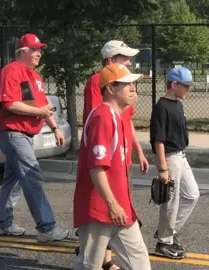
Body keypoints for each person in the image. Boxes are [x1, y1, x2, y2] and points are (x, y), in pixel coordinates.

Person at [0, 33, 69, 243]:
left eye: (40, 50)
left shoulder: (33, 76)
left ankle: (2, 222)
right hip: (13, 133)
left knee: (13, 179)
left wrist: (55, 128)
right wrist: (41, 113)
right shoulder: (11, 72)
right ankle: (46, 227)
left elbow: (39, 106)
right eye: (35, 50)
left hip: (23, 135)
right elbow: (9, 104)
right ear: (22, 52)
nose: (39, 53)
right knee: (32, 176)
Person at [73, 63, 151, 270]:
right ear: (110, 88)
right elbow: (96, 168)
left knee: (140, 264)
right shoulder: (103, 117)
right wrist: (112, 204)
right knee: (89, 266)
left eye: (133, 83)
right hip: (101, 209)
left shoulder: (118, 118)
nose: (133, 88)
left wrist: (119, 205)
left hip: (121, 210)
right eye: (126, 84)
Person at [149, 67, 200, 259]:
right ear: (173, 84)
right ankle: (164, 242)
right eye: (186, 86)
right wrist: (162, 168)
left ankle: (166, 232)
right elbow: (158, 140)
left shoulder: (178, 104)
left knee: (192, 194)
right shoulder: (161, 107)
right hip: (170, 158)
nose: (188, 90)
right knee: (171, 202)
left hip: (181, 156)